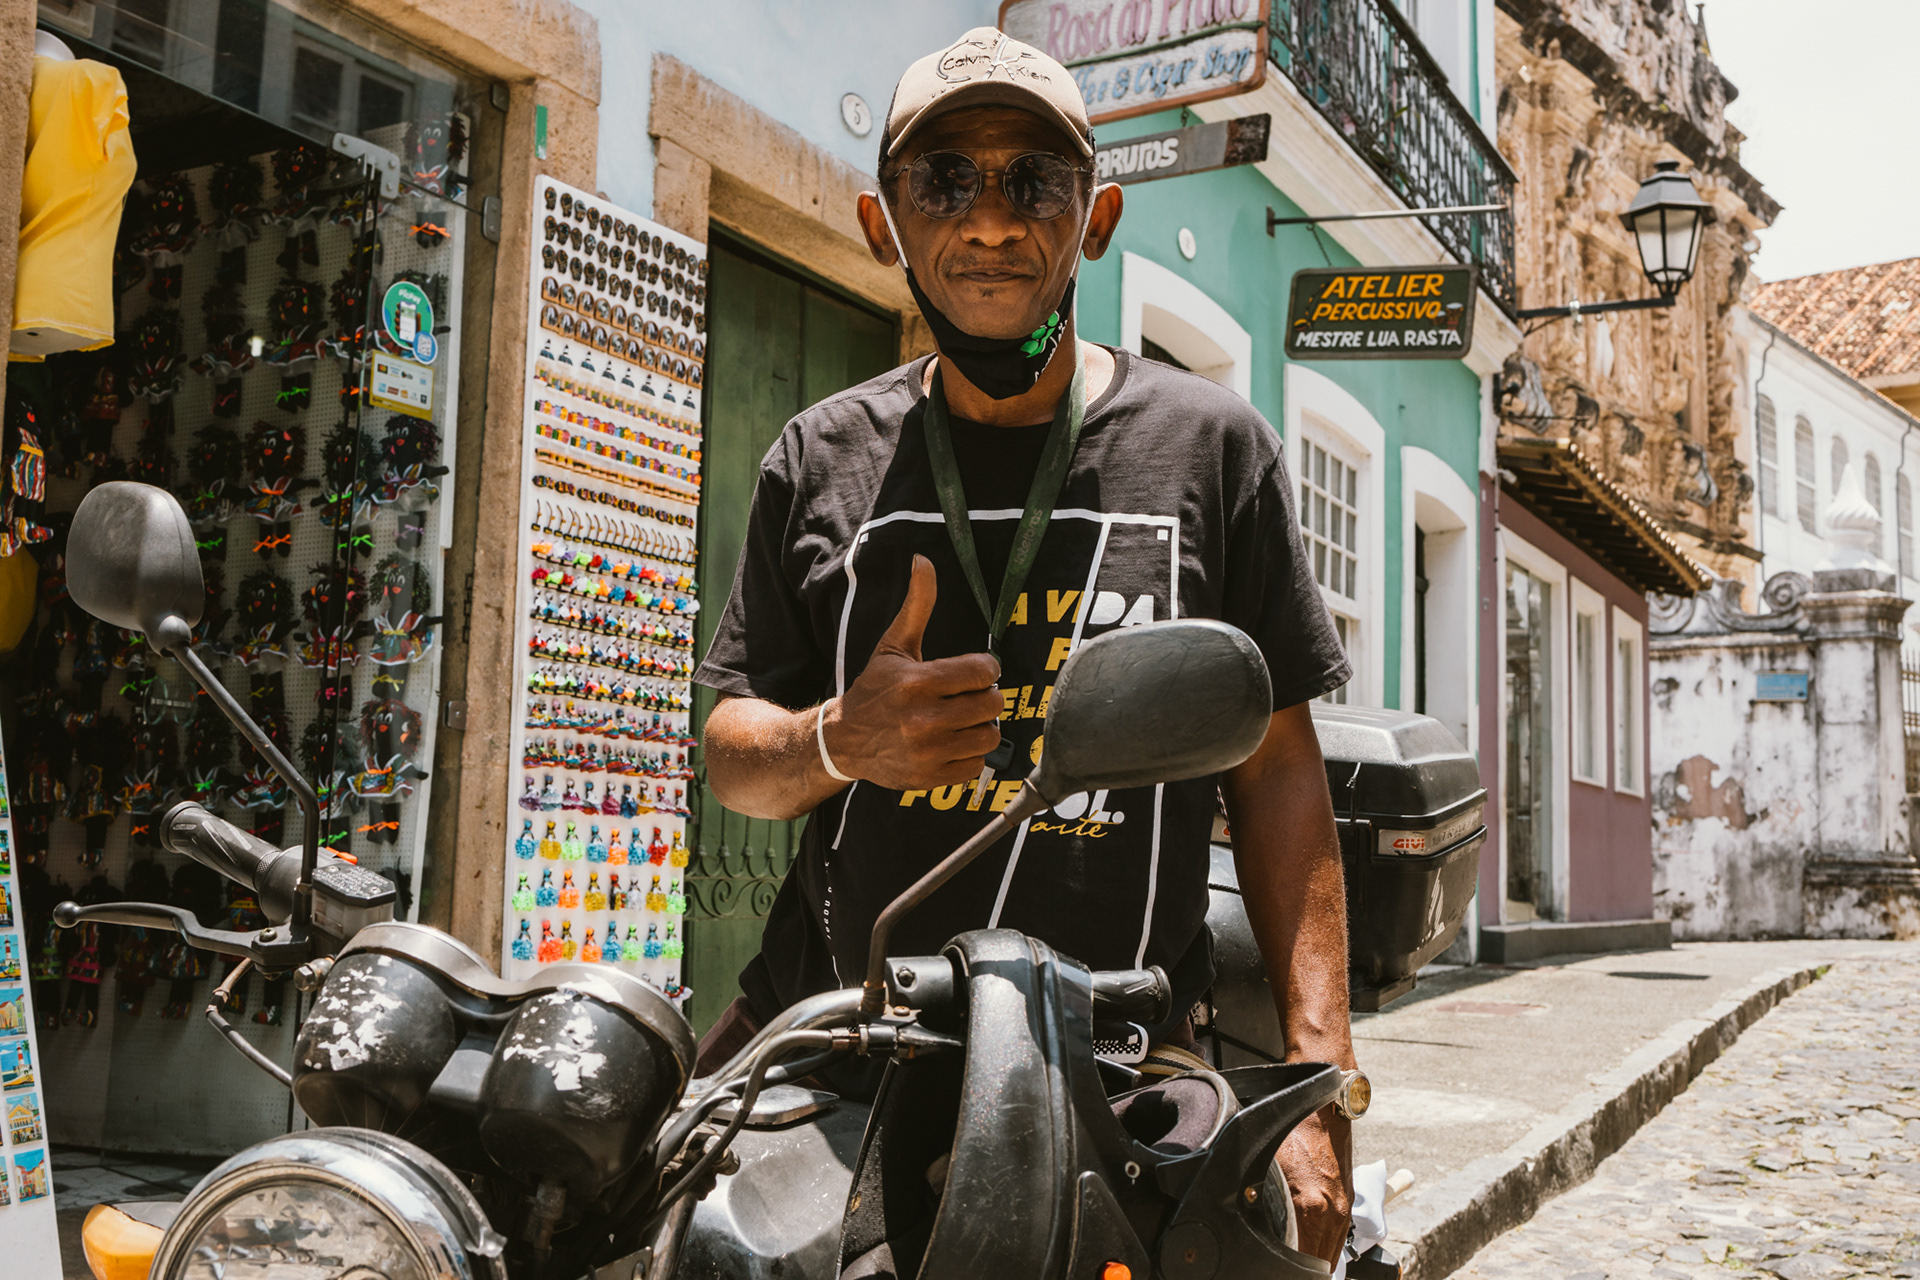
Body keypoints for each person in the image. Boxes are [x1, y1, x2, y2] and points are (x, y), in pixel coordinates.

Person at [693, 26, 1360, 1265]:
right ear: (883, 223)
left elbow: (1277, 767)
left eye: (1033, 180)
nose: (991, 220)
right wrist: (841, 737)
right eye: (945, 179)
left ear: (1095, 216)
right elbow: (735, 751)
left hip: (1115, 1057)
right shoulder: (817, 457)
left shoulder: (1212, 449)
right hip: (845, 1038)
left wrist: (1320, 1078)